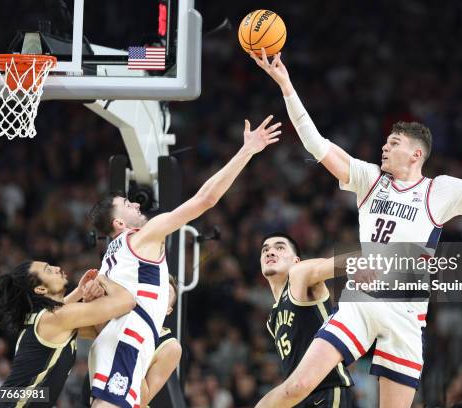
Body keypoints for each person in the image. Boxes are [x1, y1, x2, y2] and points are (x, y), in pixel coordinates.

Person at [251, 49, 462, 407]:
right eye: (386, 141)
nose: (384, 147)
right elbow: (315, 143)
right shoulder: (369, 178)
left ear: (416, 154)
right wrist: (286, 84)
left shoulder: (441, 190)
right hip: (363, 301)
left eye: (394, 143)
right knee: (297, 387)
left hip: (406, 315)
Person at [88, 115, 281, 408]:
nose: (137, 203)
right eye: (128, 204)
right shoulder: (141, 236)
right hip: (126, 338)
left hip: (115, 341)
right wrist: (247, 151)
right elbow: (205, 199)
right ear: (119, 222)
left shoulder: (110, 259)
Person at [0, 261, 134, 408]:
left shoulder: (45, 318)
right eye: (48, 270)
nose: (56, 268)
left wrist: (80, 292)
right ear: (41, 289)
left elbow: (98, 331)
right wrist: (102, 277)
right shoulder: (55, 319)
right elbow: (126, 301)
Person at [260, 232, 355, 407]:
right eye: (265, 249)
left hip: (326, 391)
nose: (270, 252)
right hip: (298, 398)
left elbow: (333, 265)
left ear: (296, 261)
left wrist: (386, 256)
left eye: (279, 247)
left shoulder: (299, 276)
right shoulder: (272, 319)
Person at [81, 276, 181, 407]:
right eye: (158, 290)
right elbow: (97, 330)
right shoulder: (123, 313)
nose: (159, 295)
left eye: (166, 293)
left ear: (168, 310)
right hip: (93, 388)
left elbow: (143, 399)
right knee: (45, 396)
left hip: (122, 402)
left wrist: (133, 350)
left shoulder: (171, 347)